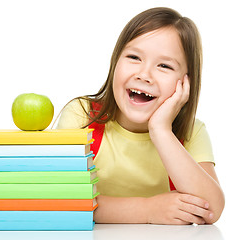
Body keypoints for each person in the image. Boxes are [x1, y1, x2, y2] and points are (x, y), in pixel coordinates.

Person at [55, 7, 225, 225]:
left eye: (164, 65)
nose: (144, 75)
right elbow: (64, 200)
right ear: (115, 62)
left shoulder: (191, 132)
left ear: (186, 84)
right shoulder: (82, 116)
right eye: (134, 57)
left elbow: (211, 209)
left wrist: (161, 131)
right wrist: (148, 210)